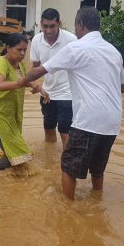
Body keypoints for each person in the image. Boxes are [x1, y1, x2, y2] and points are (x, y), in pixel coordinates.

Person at [19, 7, 124, 200]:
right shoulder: (113, 51)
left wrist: (18, 81)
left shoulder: (75, 47)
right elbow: (123, 87)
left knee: (68, 167)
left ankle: (67, 210)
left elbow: (38, 71)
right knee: (97, 168)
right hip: (112, 123)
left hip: (88, 119)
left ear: (80, 25)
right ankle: (96, 201)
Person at [0, 33, 40, 170]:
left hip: (12, 113)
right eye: (19, 49)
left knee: (13, 152)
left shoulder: (20, 65)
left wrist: (38, 88)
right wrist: (23, 83)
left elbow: (26, 79)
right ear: (8, 48)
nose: (22, 53)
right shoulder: (1, 63)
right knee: (18, 151)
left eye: (25, 50)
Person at [30, 8, 78, 149]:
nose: (49, 31)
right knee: (49, 129)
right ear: (40, 24)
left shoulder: (72, 40)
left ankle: (68, 166)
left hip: (68, 94)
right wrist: (34, 85)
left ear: (59, 24)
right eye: (45, 26)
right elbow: (35, 68)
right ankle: (49, 161)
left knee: (65, 131)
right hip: (47, 93)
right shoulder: (36, 40)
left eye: (52, 26)